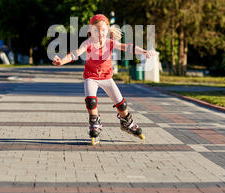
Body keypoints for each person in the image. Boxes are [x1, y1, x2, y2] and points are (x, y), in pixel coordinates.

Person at [52, 14, 155, 145]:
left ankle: (126, 122)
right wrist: (61, 61)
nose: (100, 34)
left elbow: (128, 47)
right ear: (90, 31)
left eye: (103, 30)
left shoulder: (110, 43)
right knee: (91, 101)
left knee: (122, 105)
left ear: (108, 30)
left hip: (106, 77)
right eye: (96, 30)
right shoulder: (88, 43)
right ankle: (94, 122)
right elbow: (75, 53)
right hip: (91, 77)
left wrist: (144, 51)